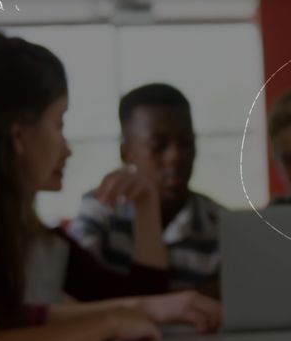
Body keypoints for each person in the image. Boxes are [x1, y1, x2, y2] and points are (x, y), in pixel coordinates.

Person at [0, 33, 160, 341]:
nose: (66, 146)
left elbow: (7, 323)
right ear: (18, 136)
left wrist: (121, 315)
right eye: (58, 124)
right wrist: (108, 322)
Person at [66, 84, 223, 294]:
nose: (175, 157)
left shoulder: (220, 223)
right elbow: (75, 292)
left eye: (186, 143)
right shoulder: (101, 208)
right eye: (158, 145)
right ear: (126, 153)